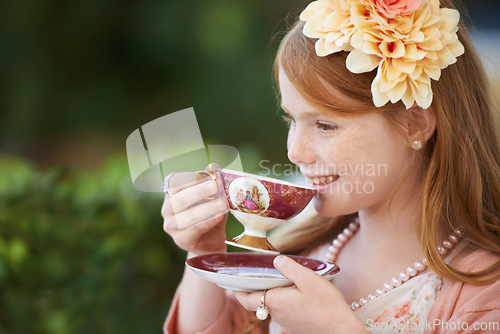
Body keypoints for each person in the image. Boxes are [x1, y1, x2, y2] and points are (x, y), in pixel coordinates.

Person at [161, 0, 500, 332]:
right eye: (291, 120)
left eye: (325, 126)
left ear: (414, 124)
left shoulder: (485, 291)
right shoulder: (294, 253)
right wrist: (205, 252)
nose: (295, 152)